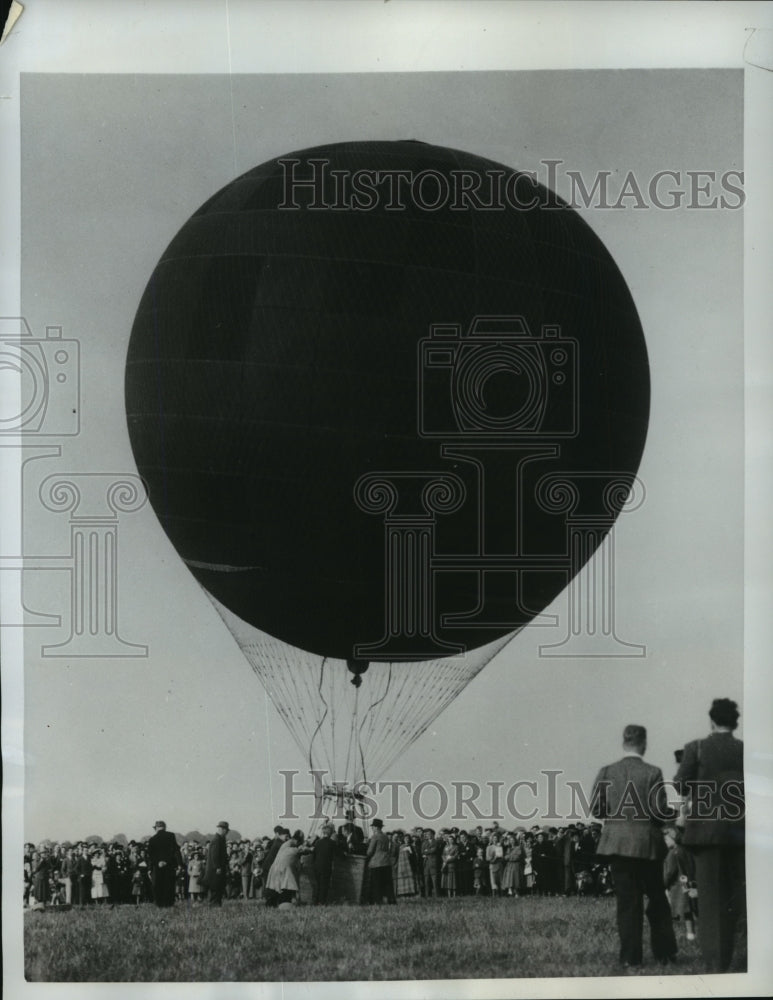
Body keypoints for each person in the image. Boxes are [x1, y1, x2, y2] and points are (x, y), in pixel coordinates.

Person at [592, 723, 677, 969]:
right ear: (644, 743)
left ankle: (630, 957)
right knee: (658, 898)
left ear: (623, 742)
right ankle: (665, 953)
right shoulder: (653, 772)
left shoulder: (607, 771)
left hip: (617, 844)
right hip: (647, 845)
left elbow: (596, 808)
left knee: (628, 903)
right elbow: (659, 810)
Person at [674, 697, 745, 972]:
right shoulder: (744, 750)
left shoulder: (697, 748)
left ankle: (717, 964)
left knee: (712, 899)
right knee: (736, 896)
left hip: (705, 834)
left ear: (711, 720)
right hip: (739, 832)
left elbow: (680, 784)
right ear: (735, 722)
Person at [147, 821, 183, 908]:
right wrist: (179, 864)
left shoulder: (152, 839)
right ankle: (169, 904)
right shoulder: (171, 836)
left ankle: (159, 905)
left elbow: (150, 855)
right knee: (169, 884)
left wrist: (150, 868)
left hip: (157, 866)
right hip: (169, 865)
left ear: (156, 828)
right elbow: (176, 851)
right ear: (165, 827)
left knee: (158, 885)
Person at [265, 831, 301, 906]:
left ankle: (273, 903)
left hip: (275, 867)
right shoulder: (284, 843)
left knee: (277, 888)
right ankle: (282, 903)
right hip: (281, 868)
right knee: (284, 887)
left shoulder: (282, 844)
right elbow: (297, 850)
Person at [366, 819, 396, 904]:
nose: (372, 828)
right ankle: (391, 900)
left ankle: (377, 901)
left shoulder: (375, 837)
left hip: (377, 863)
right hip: (386, 862)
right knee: (388, 884)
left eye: (373, 827)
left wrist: (367, 854)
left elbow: (370, 851)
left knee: (376, 883)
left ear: (376, 827)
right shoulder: (385, 836)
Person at [203, 821, 230, 906]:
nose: (227, 832)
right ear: (222, 829)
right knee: (215, 888)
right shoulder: (217, 840)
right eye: (226, 830)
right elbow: (215, 855)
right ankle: (214, 905)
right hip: (215, 870)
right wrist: (217, 867)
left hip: (217, 869)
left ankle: (217, 904)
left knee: (218, 887)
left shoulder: (219, 839)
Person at [312, 824, 338, 904]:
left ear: (323, 832)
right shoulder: (332, 843)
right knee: (324, 885)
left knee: (318, 885)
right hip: (326, 867)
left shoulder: (317, 842)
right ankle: (322, 902)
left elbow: (314, 855)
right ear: (330, 833)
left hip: (317, 866)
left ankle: (315, 902)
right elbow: (338, 854)